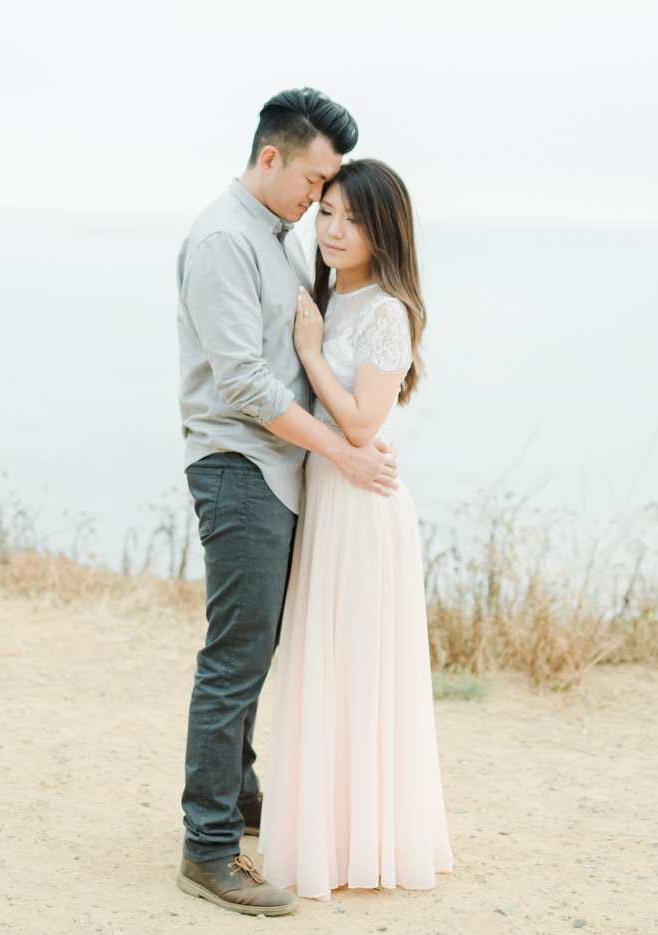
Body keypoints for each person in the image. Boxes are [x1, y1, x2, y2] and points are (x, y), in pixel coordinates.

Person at [174, 88, 399, 917]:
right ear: (271, 158)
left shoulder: (274, 237)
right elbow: (241, 380)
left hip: (280, 468)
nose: (319, 201)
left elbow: (306, 361)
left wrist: (358, 429)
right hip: (240, 468)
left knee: (257, 652)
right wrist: (343, 448)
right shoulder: (224, 239)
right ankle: (208, 849)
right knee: (233, 659)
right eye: (313, 180)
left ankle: (241, 797)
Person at [258, 159, 454, 899]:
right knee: (322, 663)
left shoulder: (386, 310)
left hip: (364, 508)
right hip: (327, 502)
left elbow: (367, 421)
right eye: (328, 212)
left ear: (384, 230)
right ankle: (326, 834)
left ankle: (366, 841)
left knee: (360, 669)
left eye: (353, 218)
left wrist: (311, 352)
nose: (334, 229)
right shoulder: (329, 296)